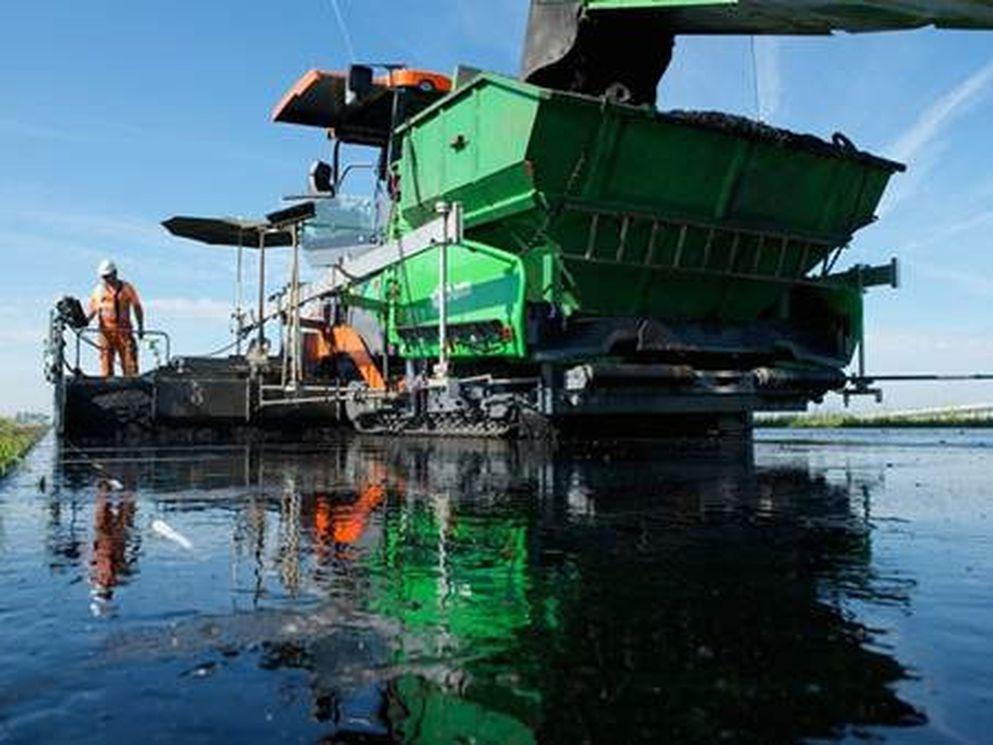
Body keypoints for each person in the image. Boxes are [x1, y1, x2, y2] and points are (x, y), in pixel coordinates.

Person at [87, 259, 144, 378]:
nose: (106, 280)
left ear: (115, 273)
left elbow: (137, 307)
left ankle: (132, 391)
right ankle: (107, 391)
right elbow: (92, 310)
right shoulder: (98, 291)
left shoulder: (127, 288)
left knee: (130, 367)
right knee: (106, 367)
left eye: (108, 276)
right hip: (106, 333)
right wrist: (84, 322)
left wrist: (140, 327)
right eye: (104, 277)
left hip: (125, 332)